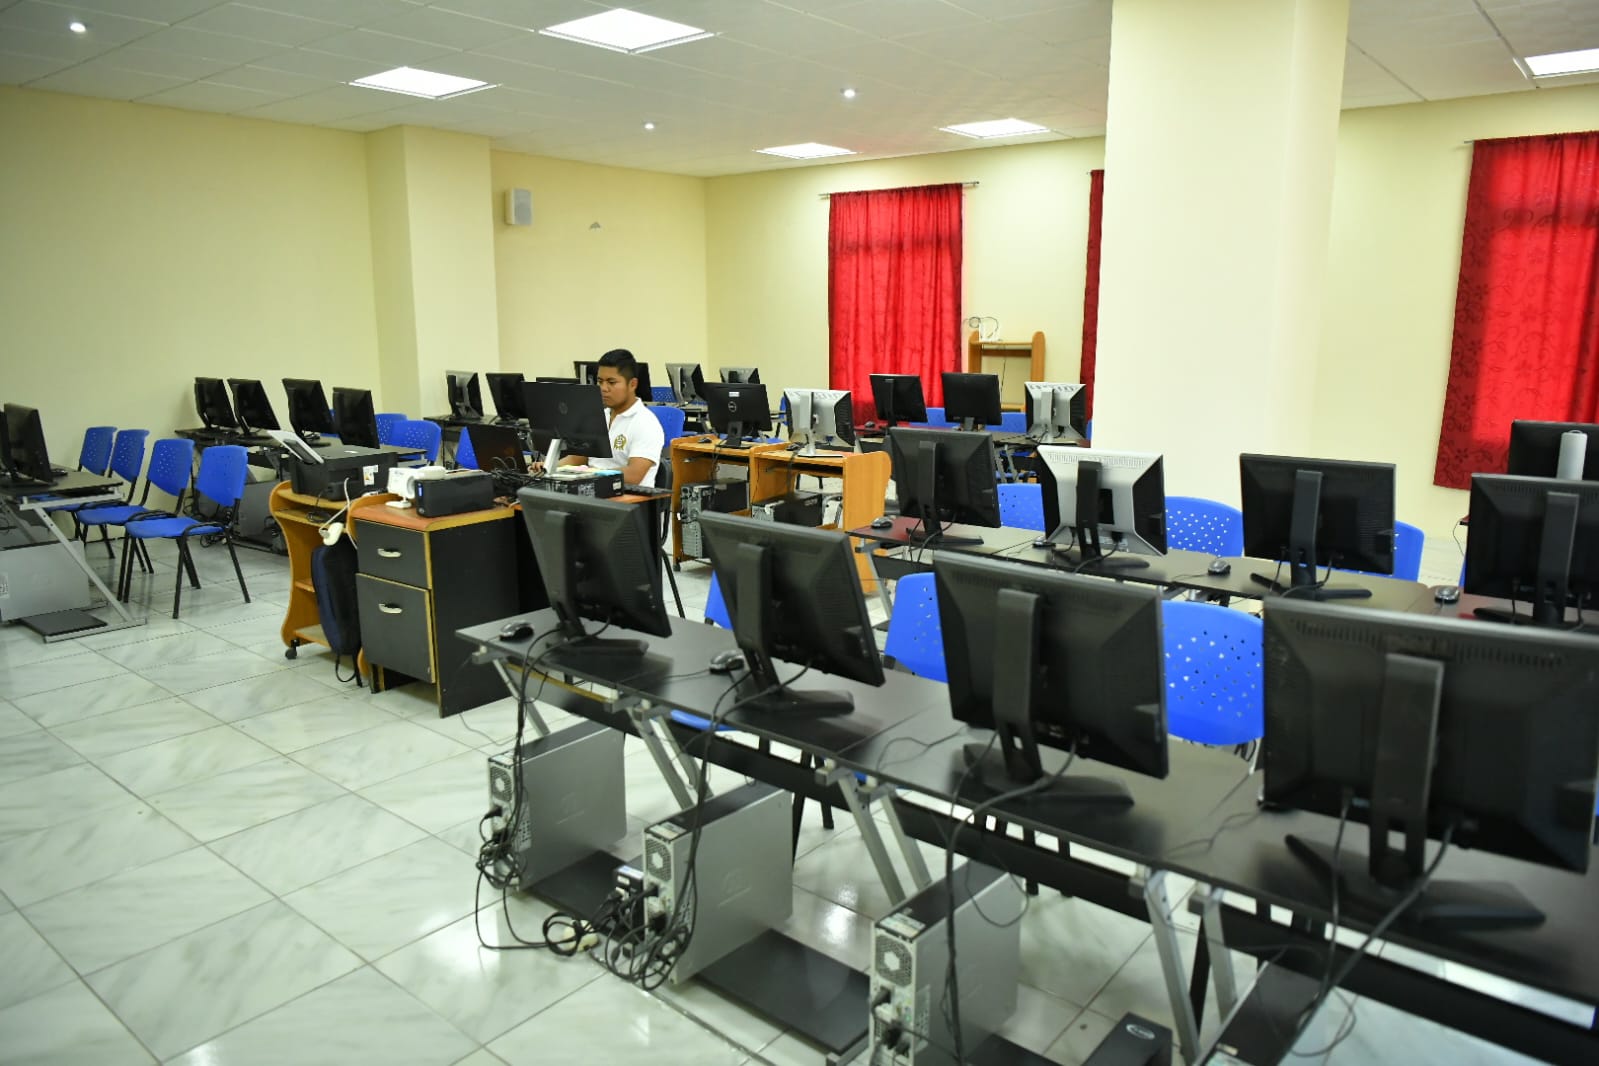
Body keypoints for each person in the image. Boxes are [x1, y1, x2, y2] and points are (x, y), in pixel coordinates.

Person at [539, 348, 665, 487]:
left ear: (632, 384)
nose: (603, 388)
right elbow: (578, 459)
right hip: (592, 489)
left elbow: (633, 475)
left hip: (628, 496)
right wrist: (548, 467)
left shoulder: (646, 423)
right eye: (600, 381)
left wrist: (590, 475)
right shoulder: (597, 417)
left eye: (611, 382)